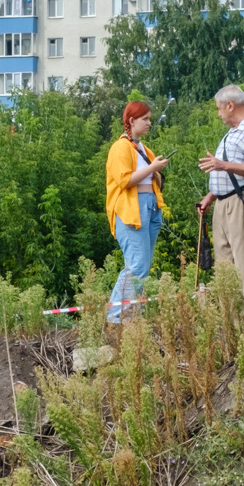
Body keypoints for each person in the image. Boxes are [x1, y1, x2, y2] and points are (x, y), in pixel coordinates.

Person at [197, 84, 244, 316]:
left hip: (243, 202)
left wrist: (223, 165)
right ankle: (232, 322)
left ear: (230, 105)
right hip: (223, 203)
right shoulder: (233, 132)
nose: (219, 114)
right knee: (225, 267)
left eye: (220, 109)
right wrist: (211, 195)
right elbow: (231, 174)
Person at [104, 99, 168, 323]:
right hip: (130, 210)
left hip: (149, 208)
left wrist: (156, 171)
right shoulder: (119, 147)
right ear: (131, 121)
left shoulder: (143, 148)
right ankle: (116, 318)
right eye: (145, 119)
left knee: (142, 268)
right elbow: (124, 181)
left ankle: (131, 317)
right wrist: (152, 168)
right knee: (137, 266)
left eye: (149, 118)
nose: (149, 123)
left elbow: (152, 181)